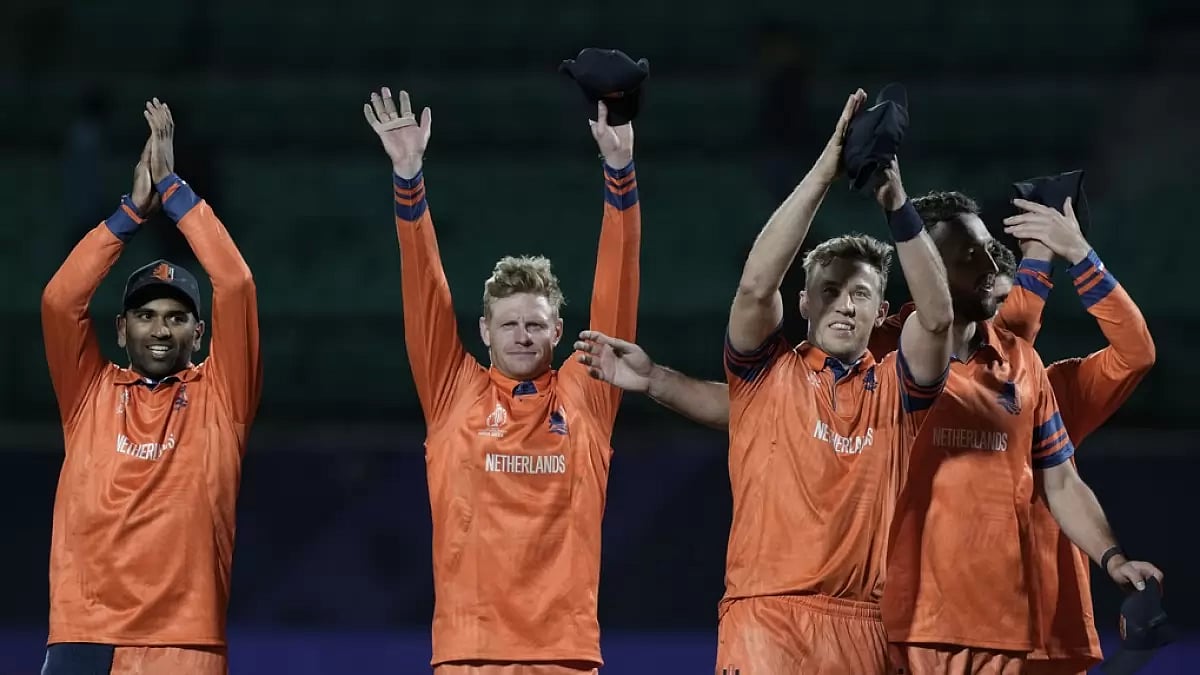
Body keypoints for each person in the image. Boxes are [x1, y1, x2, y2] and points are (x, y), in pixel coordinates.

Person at [577, 194, 1161, 674]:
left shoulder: (1018, 365)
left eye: (992, 251)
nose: (993, 263)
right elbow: (763, 407)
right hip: (901, 621)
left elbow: (1065, 458)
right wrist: (656, 380)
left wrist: (1066, 254)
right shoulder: (882, 351)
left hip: (999, 622)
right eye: (972, 254)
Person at [590, 87, 956, 674]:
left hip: (862, 627)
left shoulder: (897, 389)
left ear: (881, 309)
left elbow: (938, 319)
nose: (844, 305)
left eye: (861, 294)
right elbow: (757, 287)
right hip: (765, 621)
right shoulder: (768, 372)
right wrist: (825, 169)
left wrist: (895, 200)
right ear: (805, 304)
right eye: (829, 291)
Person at [363, 87, 640, 674]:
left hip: (564, 656)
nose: (521, 336)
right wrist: (408, 178)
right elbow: (424, 293)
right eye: (508, 323)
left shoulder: (588, 391)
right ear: (484, 330)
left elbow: (617, 291)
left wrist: (620, 172)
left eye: (535, 325)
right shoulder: (452, 391)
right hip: (469, 655)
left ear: (559, 331)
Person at [40, 99, 259, 675]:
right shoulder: (88, 392)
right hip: (80, 634)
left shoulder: (222, 396)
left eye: (176, 316)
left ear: (198, 330)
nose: (160, 327)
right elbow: (61, 303)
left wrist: (175, 194)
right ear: (121, 327)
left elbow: (235, 283)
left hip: (180, 644)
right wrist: (129, 215)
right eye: (145, 315)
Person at [1001, 198, 1156, 675]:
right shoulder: (917, 380)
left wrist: (1081, 257)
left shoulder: (1057, 389)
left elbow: (1135, 354)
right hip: (947, 630)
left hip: (1049, 634)